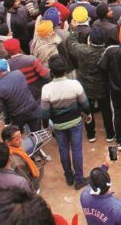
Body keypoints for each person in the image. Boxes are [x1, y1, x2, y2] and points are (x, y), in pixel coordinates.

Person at [40, 55, 90, 190]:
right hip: (75, 122)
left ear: (51, 71)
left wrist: (46, 126)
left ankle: (69, 176)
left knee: (63, 149)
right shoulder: (75, 84)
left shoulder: (46, 89)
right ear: (65, 69)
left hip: (58, 125)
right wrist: (88, 114)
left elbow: (44, 113)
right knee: (76, 150)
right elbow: (85, 104)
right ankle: (79, 179)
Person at [67, 25, 115, 143]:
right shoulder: (107, 52)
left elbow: (71, 43)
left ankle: (90, 134)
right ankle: (110, 134)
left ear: (90, 40)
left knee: (87, 110)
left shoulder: (83, 50)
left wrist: (73, 30)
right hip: (103, 87)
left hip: (86, 88)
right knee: (106, 110)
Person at [0, 60, 42, 133]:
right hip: (32, 109)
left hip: (17, 116)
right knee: (38, 134)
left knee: (18, 136)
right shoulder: (19, 73)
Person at [80, 155, 121, 225]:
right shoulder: (118, 207)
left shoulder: (84, 195)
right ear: (110, 184)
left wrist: (105, 165)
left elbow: (95, 182)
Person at [1, 125, 43, 192]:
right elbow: (25, 182)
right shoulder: (17, 163)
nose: (21, 140)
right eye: (17, 139)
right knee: (40, 168)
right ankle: (34, 190)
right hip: (22, 182)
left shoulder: (9, 148)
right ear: (7, 142)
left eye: (21, 137)